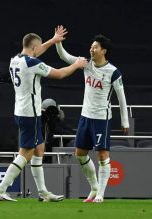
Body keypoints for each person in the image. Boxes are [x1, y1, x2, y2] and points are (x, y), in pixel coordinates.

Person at [0, 26, 88, 202]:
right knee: (26, 153)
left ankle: (43, 193)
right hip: (29, 113)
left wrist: (53, 40)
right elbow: (59, 74)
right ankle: (1, 189)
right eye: (38, 48)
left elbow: (37, 51)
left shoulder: (15, 59)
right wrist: (76, 65)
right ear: (34, 48)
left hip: (22, 110)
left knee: (39, 149)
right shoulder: (32, 63)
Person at [55, 32, 129, 203]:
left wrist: (125, 121)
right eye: (91, 46)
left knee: (102, 156)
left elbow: (122, 98)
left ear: (103, 51)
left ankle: (101, 194)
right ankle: (94, 187)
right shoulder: (86, 64)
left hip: (101, 119)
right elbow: (65, 57)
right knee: (80, 154)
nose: (91, 49)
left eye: (95, 47)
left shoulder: (113, 72)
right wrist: (58, 42)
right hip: (85, 117)